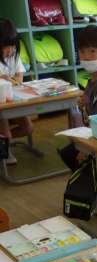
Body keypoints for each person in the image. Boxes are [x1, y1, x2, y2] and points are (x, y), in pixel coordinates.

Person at [58, 26, 97, 207]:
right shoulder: (93, 80)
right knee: (70, 153)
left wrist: (86, 149)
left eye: (92, 51)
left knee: (79, 157)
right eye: (83, 52)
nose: (87, 57)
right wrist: (84, 102)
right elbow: (92, 106)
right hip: (95, 133)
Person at [0, 18, 33, 165]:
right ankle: (5, 149)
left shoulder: (14, 56)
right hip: (1, 103)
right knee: (5, 133)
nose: (11, 50)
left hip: (13, 100)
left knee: (28, 128)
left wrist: (15, 81)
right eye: (6, 47)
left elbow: (19, 76)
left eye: (13, 46)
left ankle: (4, 143)